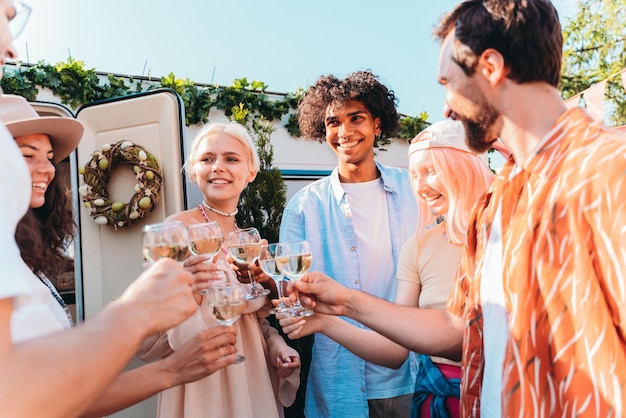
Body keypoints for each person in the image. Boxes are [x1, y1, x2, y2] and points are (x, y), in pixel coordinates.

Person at [288, 0, 626, 416]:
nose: (445, 108)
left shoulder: (612, 172)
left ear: (490, 67)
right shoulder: (494, 205)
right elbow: (456, 329)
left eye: (447, 82)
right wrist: (342, 302)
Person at [0, 2, 220, 417]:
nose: (45, 169)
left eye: (49, 157)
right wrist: (139, 312)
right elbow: (21, 396)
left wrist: (173, 366)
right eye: (26, 154)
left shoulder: (24, 257)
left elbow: (58, 389)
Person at [279, 120, 495, 418]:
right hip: (440, 403)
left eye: (431, 171)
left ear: (464, 165)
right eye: (415, 175)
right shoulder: (419, 246)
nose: (420, 186)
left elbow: (462, 339)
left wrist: (345, 301)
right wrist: (324, 322)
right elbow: (394, 352)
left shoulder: (506, 231)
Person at [138, 121, 301, 418]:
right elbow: (151, 321)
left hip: (251, 377)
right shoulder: (176, 230)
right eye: (207, 159)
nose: (218, 167)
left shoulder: (249, 241)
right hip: (200, 381)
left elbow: (251, 322)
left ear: (251, 172)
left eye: (231, 158)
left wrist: (276, 345)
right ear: (194, 171)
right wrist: (189, 289)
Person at [279, 70, 418, 418]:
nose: (344, 132)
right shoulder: (303, 207)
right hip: (340, 383)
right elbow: (289, 291)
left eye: (356, 118)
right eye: (332, 122)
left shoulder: (417, 192)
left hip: (417, 378)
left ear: (377, 123)